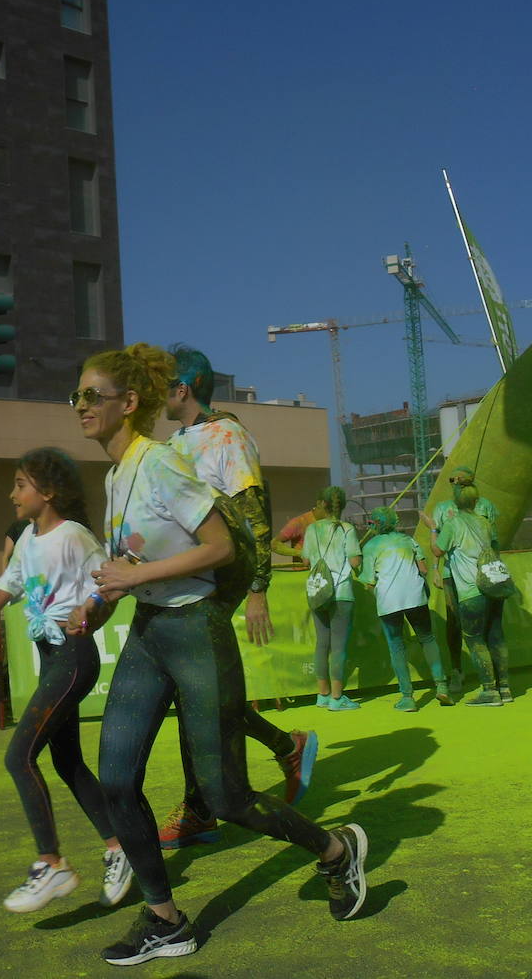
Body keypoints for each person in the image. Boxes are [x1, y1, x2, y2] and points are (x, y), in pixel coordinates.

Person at [68, 344, 370, 967]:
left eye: (91, 396)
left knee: (227, 797)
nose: (81, 407)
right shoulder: (115, 475)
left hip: (198, 629)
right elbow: (130, 568)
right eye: (76, 397)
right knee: (118, 779)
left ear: (129, 403)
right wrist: (96, 604)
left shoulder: (160, 465)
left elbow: (218, 548)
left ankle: (336, 849)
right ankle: (165, 918)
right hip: (151, 633)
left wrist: (138, 576)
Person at [155, 343, 318, 850]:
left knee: (197, 695)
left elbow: (254, 512)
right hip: (183, 587)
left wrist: (257, 589)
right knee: (204, 697)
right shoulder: (176, 441)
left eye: (162, 383)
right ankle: (285, 746)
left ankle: (202, 808)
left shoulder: (227, 437)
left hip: (217, 586)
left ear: (182, 388)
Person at [0, 448, 132, 914]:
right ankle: (120, 850)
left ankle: (52, 863)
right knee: (67, 763)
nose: (12, 494)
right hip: (51, 659)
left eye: (20, 484)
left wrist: (92, 613)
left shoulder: (74, 537)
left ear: (48, 492)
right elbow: (13, 579)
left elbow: (108, 584)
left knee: (19, 756)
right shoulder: (27, 536)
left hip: (72, 658)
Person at [357, 506, 450, 711]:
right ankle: (442, 686)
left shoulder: (371, 546)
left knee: (396, 646)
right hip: (415, 596)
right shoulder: (408, 540)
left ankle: (407, 697)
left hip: (388, 602)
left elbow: (369, 582)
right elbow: (423, 569)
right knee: (427, 639)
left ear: (375, 524)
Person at [433, 483, 512, 706]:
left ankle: (489, 690)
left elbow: (438, 550)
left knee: (475, 639)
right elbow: (494, 546)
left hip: (471, 589)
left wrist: (431, 528)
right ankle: (504, 687)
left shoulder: (453, 523)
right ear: (477, 501)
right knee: (496, 635)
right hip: (494, 586)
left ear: (455, 502)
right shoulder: (485, 523)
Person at [425, 465, 499, 696]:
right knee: (455, 621)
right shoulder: (443, 507)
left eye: (457, 480)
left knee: (487, 624)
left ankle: (491, 679)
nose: (456, 483)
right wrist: (436, 570)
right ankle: (457, 670)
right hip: (452, 574)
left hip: (482, 574)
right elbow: (439, 548)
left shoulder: (485, 505)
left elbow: (494, 541)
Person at [302, 486, 363, 710]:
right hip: (341, 592)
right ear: (343, 505)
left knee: (322, 644)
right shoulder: (346, 529)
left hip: (318, 591)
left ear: (323, 504)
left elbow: (306, 562)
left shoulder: (311, 530)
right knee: (338, 646)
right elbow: (355, 562)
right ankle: (337, 698)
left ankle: (323, 695)